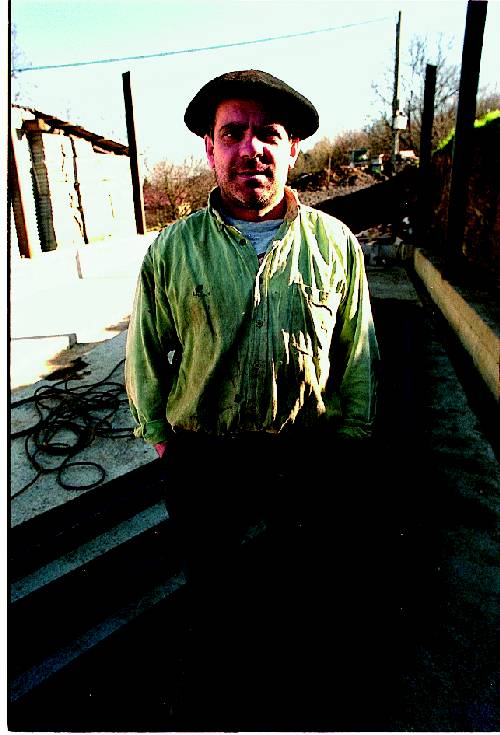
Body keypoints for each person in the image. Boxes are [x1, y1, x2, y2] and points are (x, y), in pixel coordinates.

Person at [125, 69, 380, 726]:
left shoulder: (336, 245)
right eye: (232, 132)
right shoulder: (172, 250)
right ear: (210, 149)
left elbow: (356, 351)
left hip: (305, 456)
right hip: (204, 461)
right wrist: (159, 432)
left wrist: (351, 437)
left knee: (303, 594)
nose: (250, 149)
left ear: (292, 147)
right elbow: (145, 351)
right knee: (215, 599)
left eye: (267, 132)